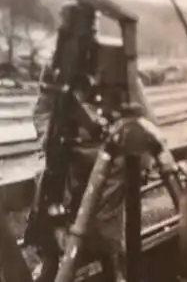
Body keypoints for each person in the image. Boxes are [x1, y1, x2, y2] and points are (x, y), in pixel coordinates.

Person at [29, 20, 155, 282]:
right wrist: (49, 139)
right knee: (53, 217)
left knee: (106, 236)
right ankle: (51, 265)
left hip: (108, 158)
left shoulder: (116, 65)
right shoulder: (55, 66)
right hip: (67, 157)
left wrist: (143, 159)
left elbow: (142, 115)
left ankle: (113, 271)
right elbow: (43, 108)